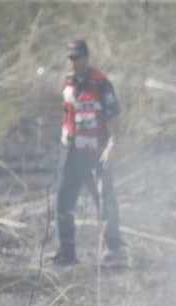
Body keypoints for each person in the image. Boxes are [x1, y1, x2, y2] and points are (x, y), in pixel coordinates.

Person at [50, 38, 124, 266]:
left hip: (96, 149)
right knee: (63, 200)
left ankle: (113, 250)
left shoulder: (100, 83)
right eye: (71, 58)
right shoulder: (68, 83)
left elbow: (114, 115)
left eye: (78, 57)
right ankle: (67, 252)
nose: (74, 62)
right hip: (72, 149)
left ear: (86, 58)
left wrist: (112, 145)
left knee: (104, 199)